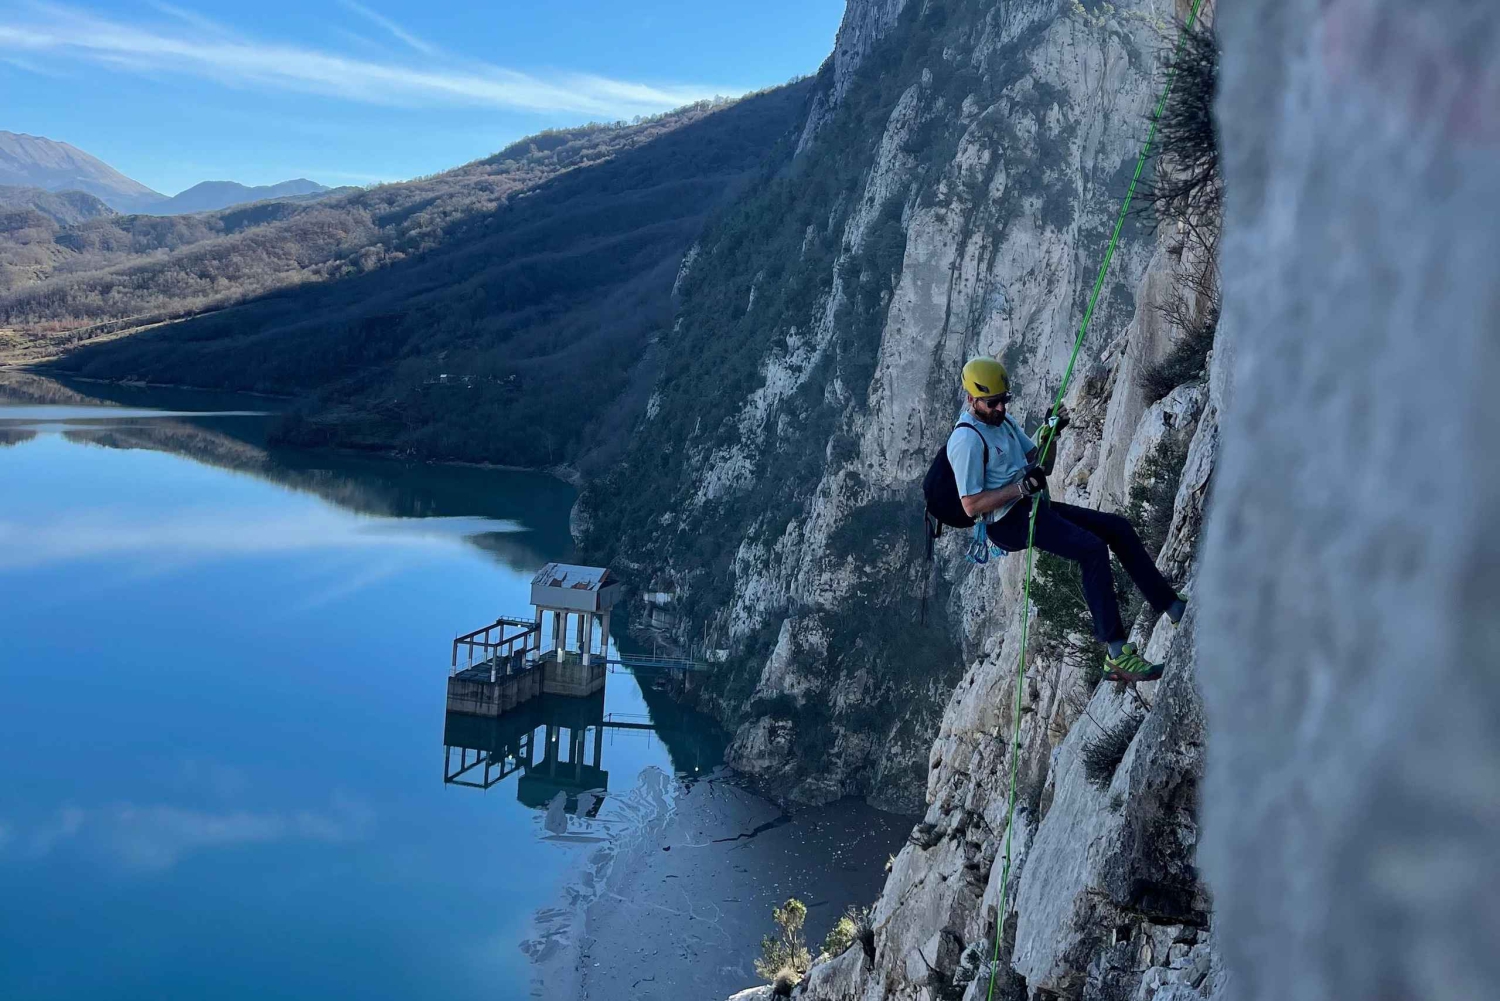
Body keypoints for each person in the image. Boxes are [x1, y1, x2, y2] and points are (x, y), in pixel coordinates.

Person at [947, 357, 1187, 682]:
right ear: (972, 399)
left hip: (1029, 506)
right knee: (1092, 549)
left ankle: (1172, 607)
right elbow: (971, 505)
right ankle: (1117, 654)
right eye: (993, 403)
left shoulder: (1004, 423)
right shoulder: (966, 441)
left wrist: (1051, 435)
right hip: (1006, 523)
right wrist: (1019, 487)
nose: (1001, 408)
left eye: (1004, 400)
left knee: (1117, 528)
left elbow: (1041, 466)